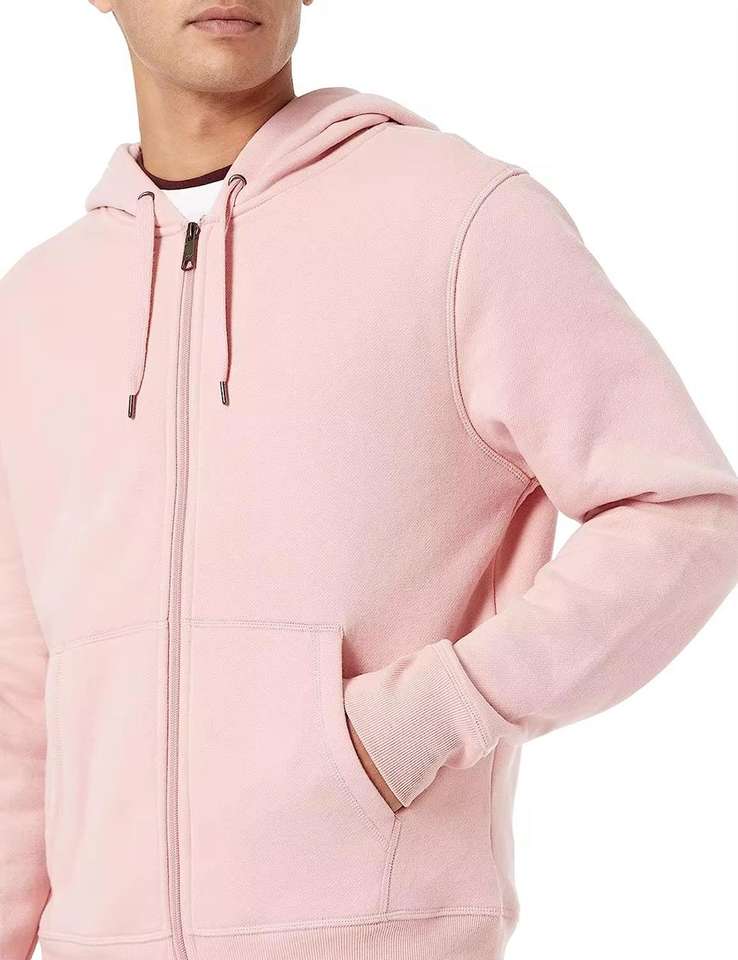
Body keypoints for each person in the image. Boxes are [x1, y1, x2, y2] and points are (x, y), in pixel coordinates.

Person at [1, 2, 736, 959]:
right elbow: (20, 684)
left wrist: (429, 717)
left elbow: (680, 511)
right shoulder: (36, 307)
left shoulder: (459, 219)